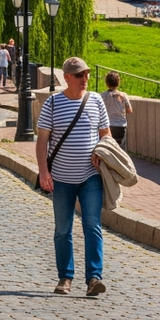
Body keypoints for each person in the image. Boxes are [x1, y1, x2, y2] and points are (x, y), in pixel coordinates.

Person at [36, 56, 110, 299]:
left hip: (91, 177)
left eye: (87, 74)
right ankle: (65, 277)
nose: (85, 78)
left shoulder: (96, 100)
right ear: (67, 77)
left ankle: (94, 278)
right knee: (63, 229)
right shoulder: (53, 103)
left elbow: (106, 134)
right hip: (61, 178)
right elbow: (42, 141)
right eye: (79, 75)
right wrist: (44, 172)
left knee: (92, 226)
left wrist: (102, 151)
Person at [101, 71, 133, 145]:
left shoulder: (102, 96)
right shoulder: (123, 96)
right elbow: (130, 110)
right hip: (120, 125)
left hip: (107, 125)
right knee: (120, 147)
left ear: (106, 83)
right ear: (118, 83)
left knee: (108, 146)